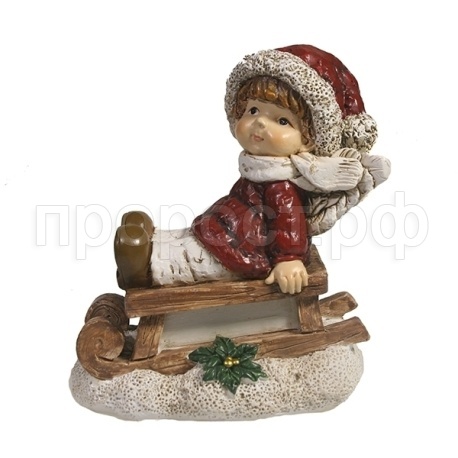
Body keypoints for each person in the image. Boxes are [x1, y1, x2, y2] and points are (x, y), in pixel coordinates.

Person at [114, 45, 390, 294]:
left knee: (201, 259)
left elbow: (288, 219)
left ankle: (146, 264)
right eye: (253, 110)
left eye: (282, 121)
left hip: (249, 247)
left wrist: (288, 259)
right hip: (232, 225)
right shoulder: (260, 166)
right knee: (197, 238)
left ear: (309, 140)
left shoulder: (281, 181)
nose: (259, 123)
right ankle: (156, 241)